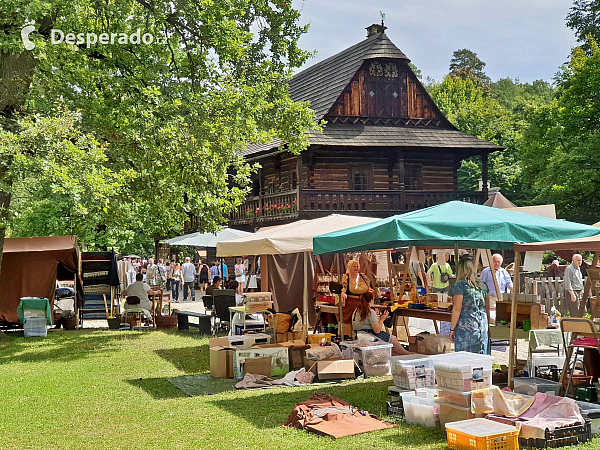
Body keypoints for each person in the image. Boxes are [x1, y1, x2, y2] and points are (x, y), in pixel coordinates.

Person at [449, 255, 490, 355]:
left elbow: (457, 309)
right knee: (480, 358)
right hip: (482, 326)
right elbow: (487, 307)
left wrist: (452, 329)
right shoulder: (483, 285)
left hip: (467, 327)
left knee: (465, 359)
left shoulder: (460, 286)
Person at [340, 259, 374, 336]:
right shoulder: (346, 277)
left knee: (361, 322)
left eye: (357, 266)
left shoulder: (362, 276)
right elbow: (343, 289)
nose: (356, 268)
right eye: (354, 266)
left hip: (363, 303)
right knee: (348, 323)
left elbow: (368, 287)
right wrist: (342, 294)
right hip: (350, 304)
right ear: (349, 267)